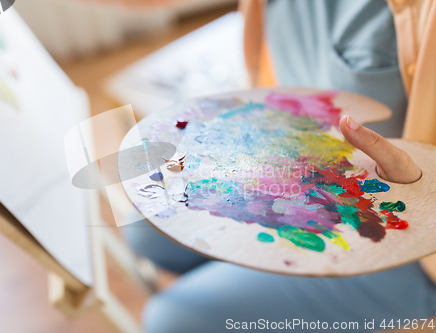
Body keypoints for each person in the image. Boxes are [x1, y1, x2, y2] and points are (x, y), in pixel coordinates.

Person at [123, 0, 436, 331]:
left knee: (173, 320)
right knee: (144, 228)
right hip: (302, 164)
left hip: (410, 232)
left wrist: (426, 185)